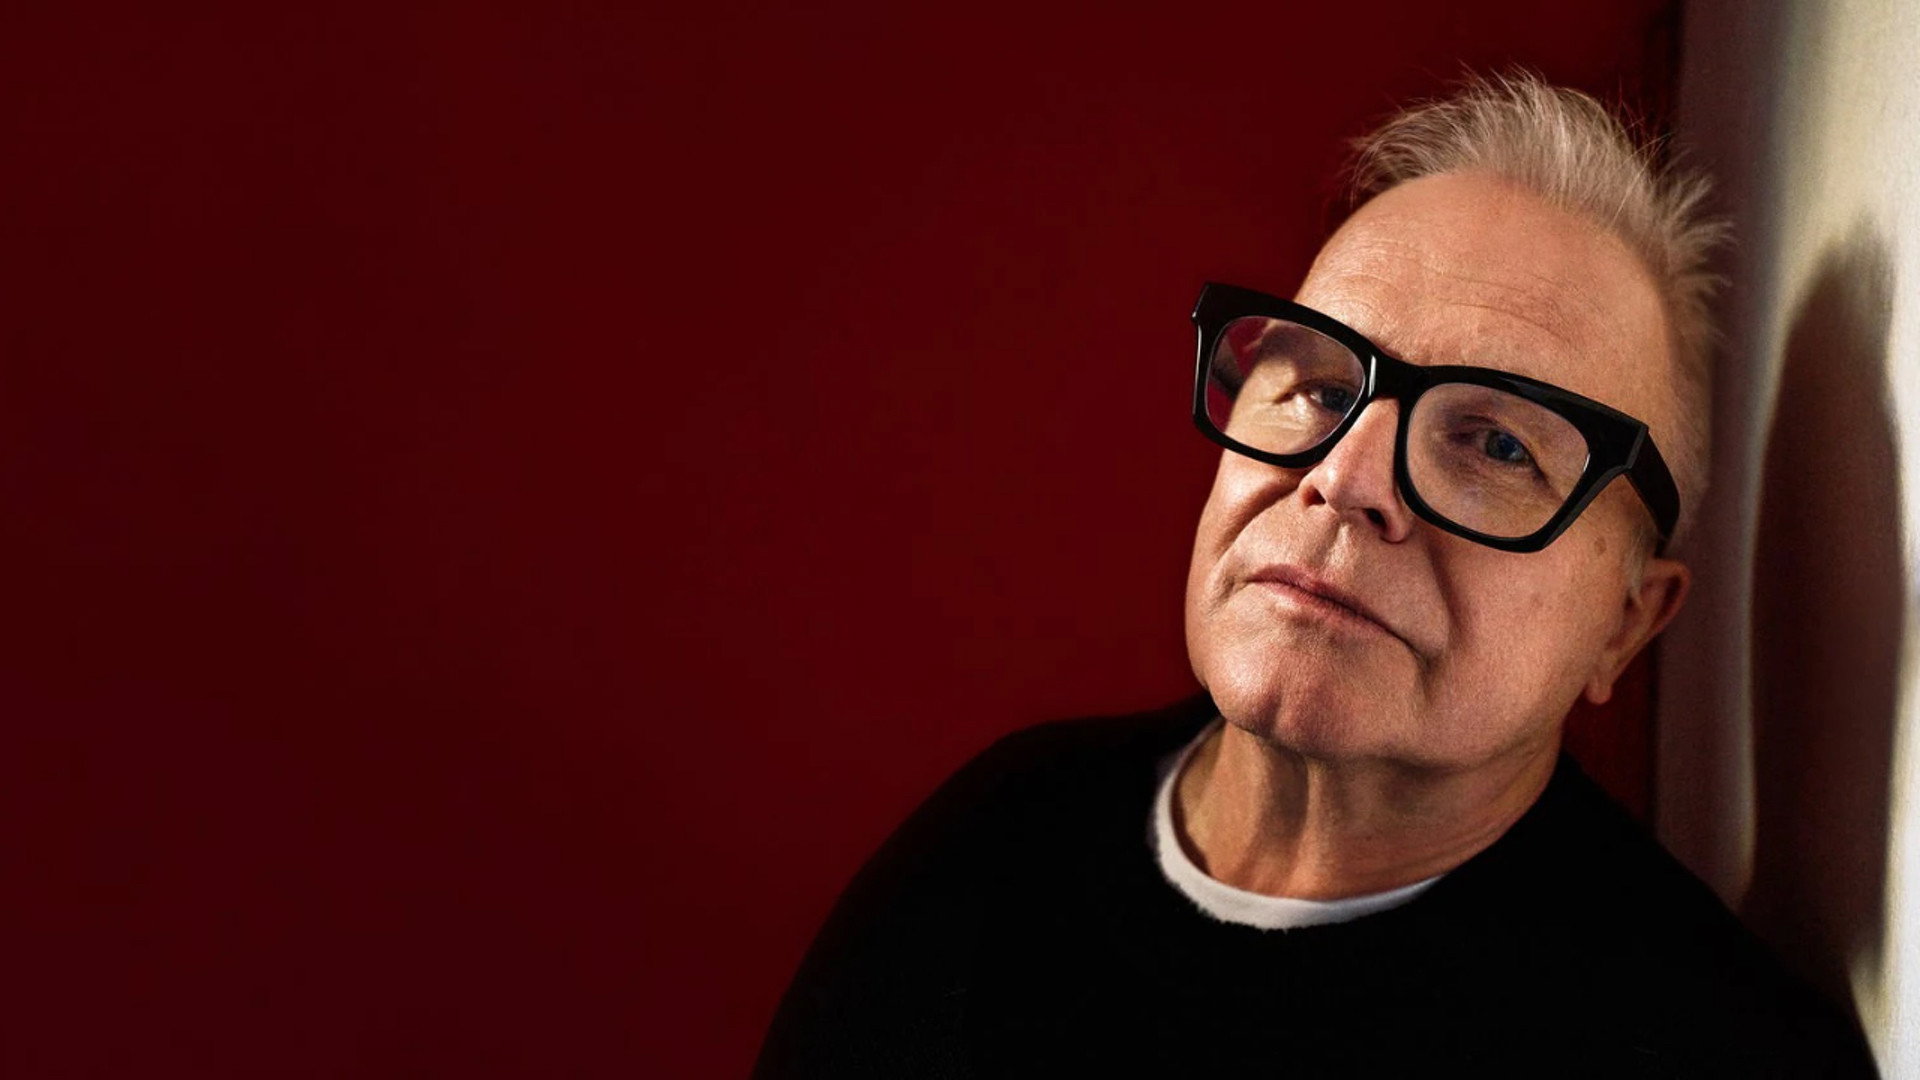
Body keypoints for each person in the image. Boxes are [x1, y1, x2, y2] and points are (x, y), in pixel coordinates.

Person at [753, 74, 1879, 1077]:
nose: (1345, 479)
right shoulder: (998, 841)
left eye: (1497, 445)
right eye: (1324, 388)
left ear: (1626, 626)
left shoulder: (1719, 1049)